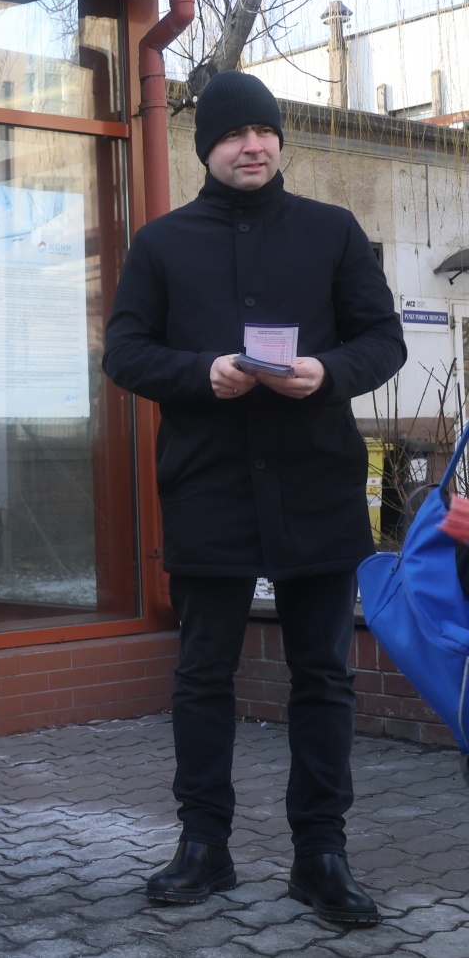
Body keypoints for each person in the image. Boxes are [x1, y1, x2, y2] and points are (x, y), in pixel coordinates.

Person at [103, 70, 405, 925]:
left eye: (265, 132)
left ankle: (321, 853)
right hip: (209, 488)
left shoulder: (331, 230)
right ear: (208, 147)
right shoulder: (162, 244)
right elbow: (124, 352)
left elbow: (382, 339)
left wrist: (328, 371)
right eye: (236, 135)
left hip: (318, 485)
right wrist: (199, 373)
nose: (254, 146)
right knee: (203, 674)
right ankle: (204, 844)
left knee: (325, 675)